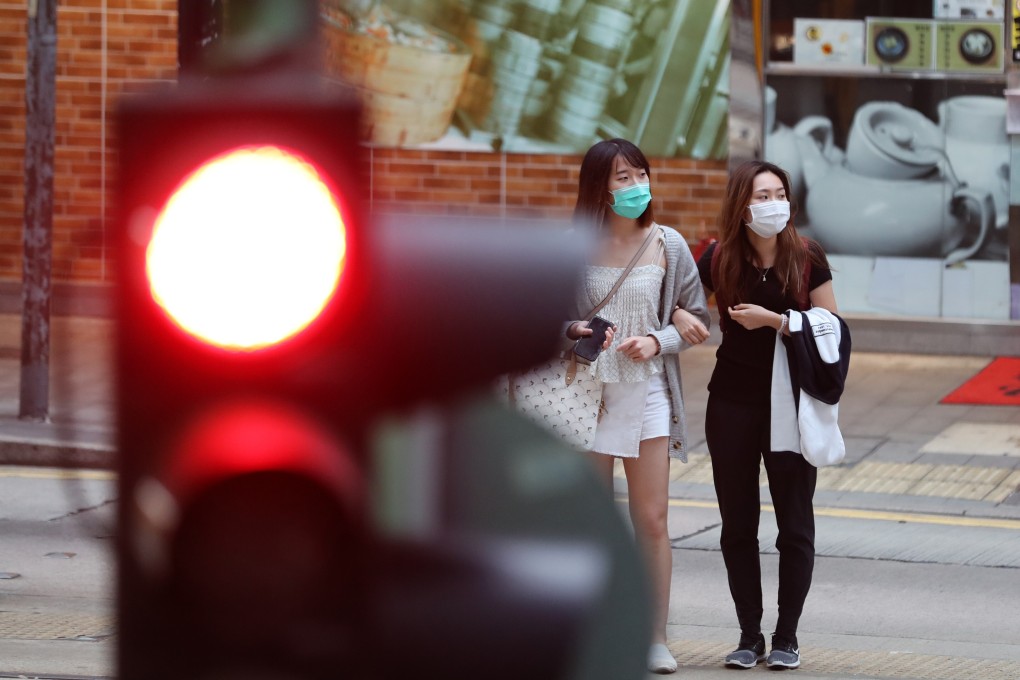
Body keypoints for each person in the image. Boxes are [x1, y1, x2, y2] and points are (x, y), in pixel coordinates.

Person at [673, 159, 837, 670]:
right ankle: (750, 634)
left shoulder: (806, 256)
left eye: (779, 193)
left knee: (794, 523)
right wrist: (680, 313)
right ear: (742, 204)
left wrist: (778, 321)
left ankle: (787, 637)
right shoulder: (720, 257)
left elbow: (832, 327)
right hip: (732, 404)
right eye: (762, 195)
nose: (773, 203)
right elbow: (685, 305)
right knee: (737, 525)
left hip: (791, 405)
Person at [566, 138, 710, 674]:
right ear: (598, 188)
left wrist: (657, 340)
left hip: (647, 389)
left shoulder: (668, 245)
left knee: (651, 518)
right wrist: (575, 329)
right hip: (585, 391)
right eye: (622, 178)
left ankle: (653, 636)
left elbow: (695, 318)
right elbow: (548, 318)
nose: (635, 186)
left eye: (640, 175)